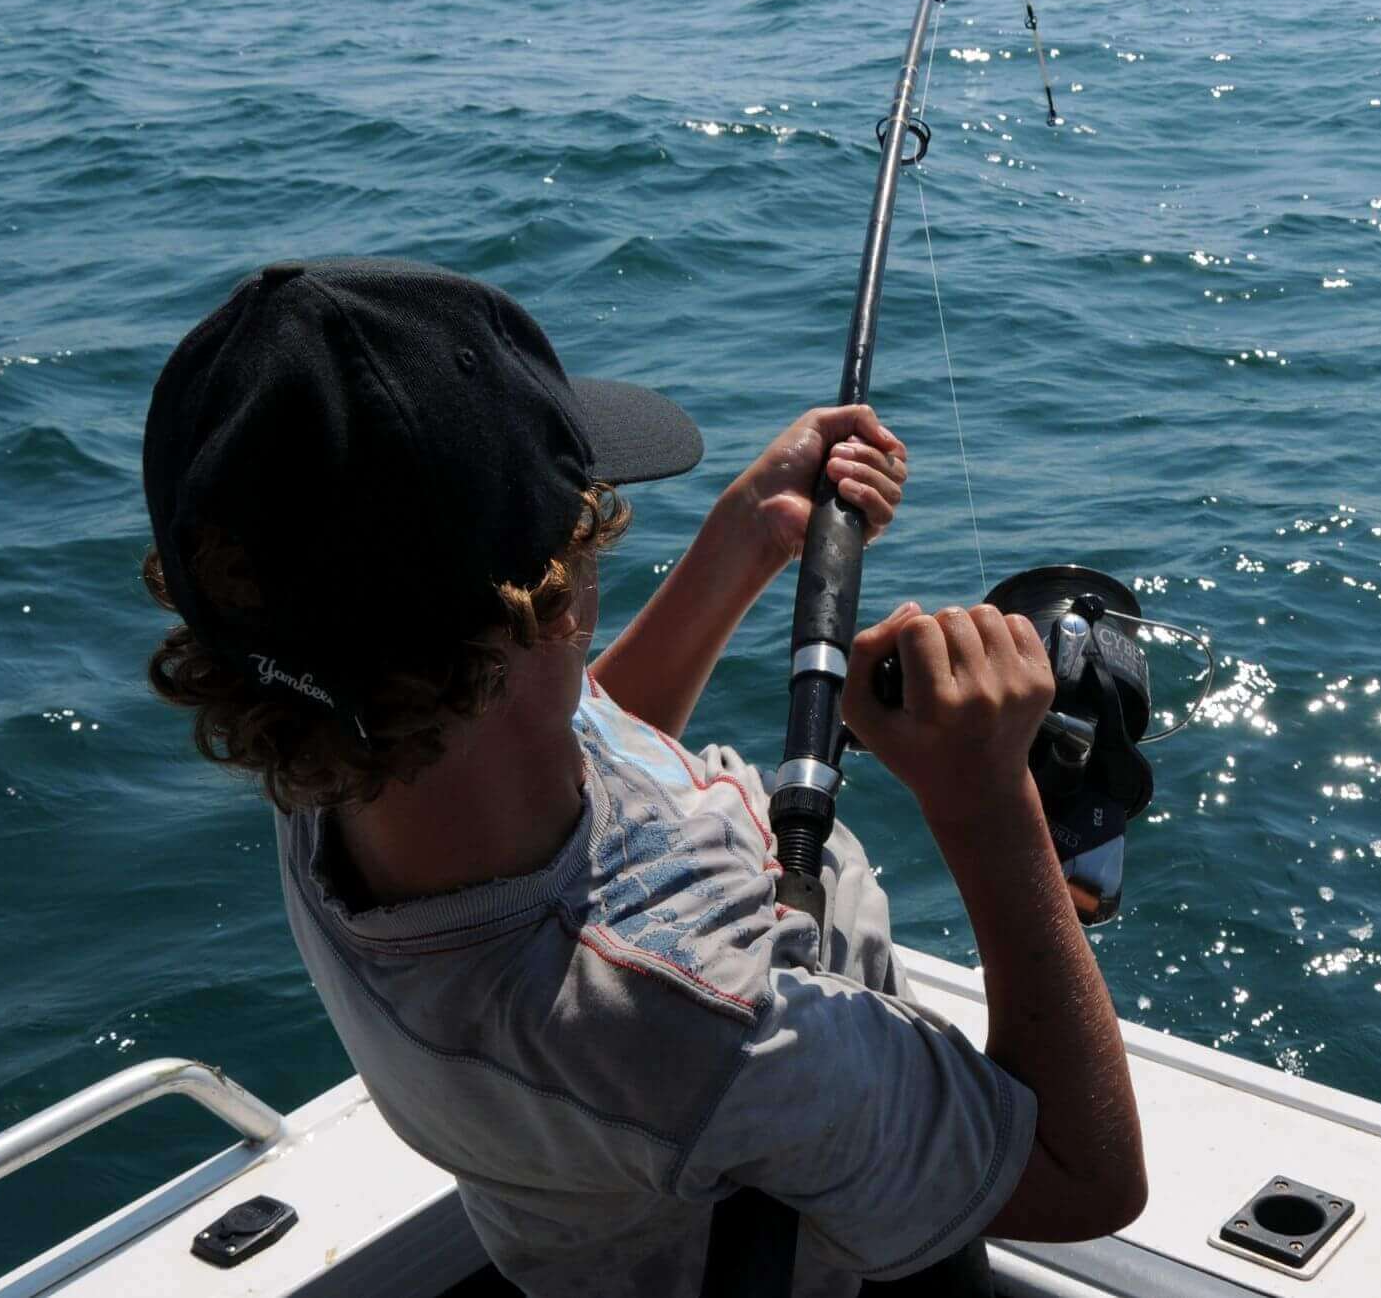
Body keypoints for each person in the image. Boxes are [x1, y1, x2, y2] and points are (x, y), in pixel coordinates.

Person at [140, 257, 1146, 1297]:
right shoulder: (697, 1029)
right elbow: (1085, 1181)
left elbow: (569, 755)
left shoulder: (331, 750)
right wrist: (986, 799)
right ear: (537, 609)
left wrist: (746, 540)